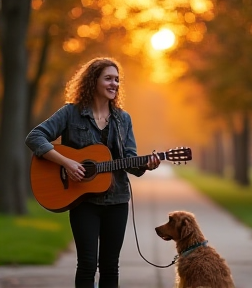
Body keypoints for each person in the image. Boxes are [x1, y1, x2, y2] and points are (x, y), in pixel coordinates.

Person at [25, 57, 161, 288]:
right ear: (93, 81)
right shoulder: (70, 113)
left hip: (117, 200)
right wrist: (68, 163)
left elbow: (128, 159)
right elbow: (35, 137)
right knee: (87, 264)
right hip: (82, 201)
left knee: (110, 265)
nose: (114, 84)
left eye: (117, 80)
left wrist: (146, 164)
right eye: (108, 78)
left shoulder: (122, 119)